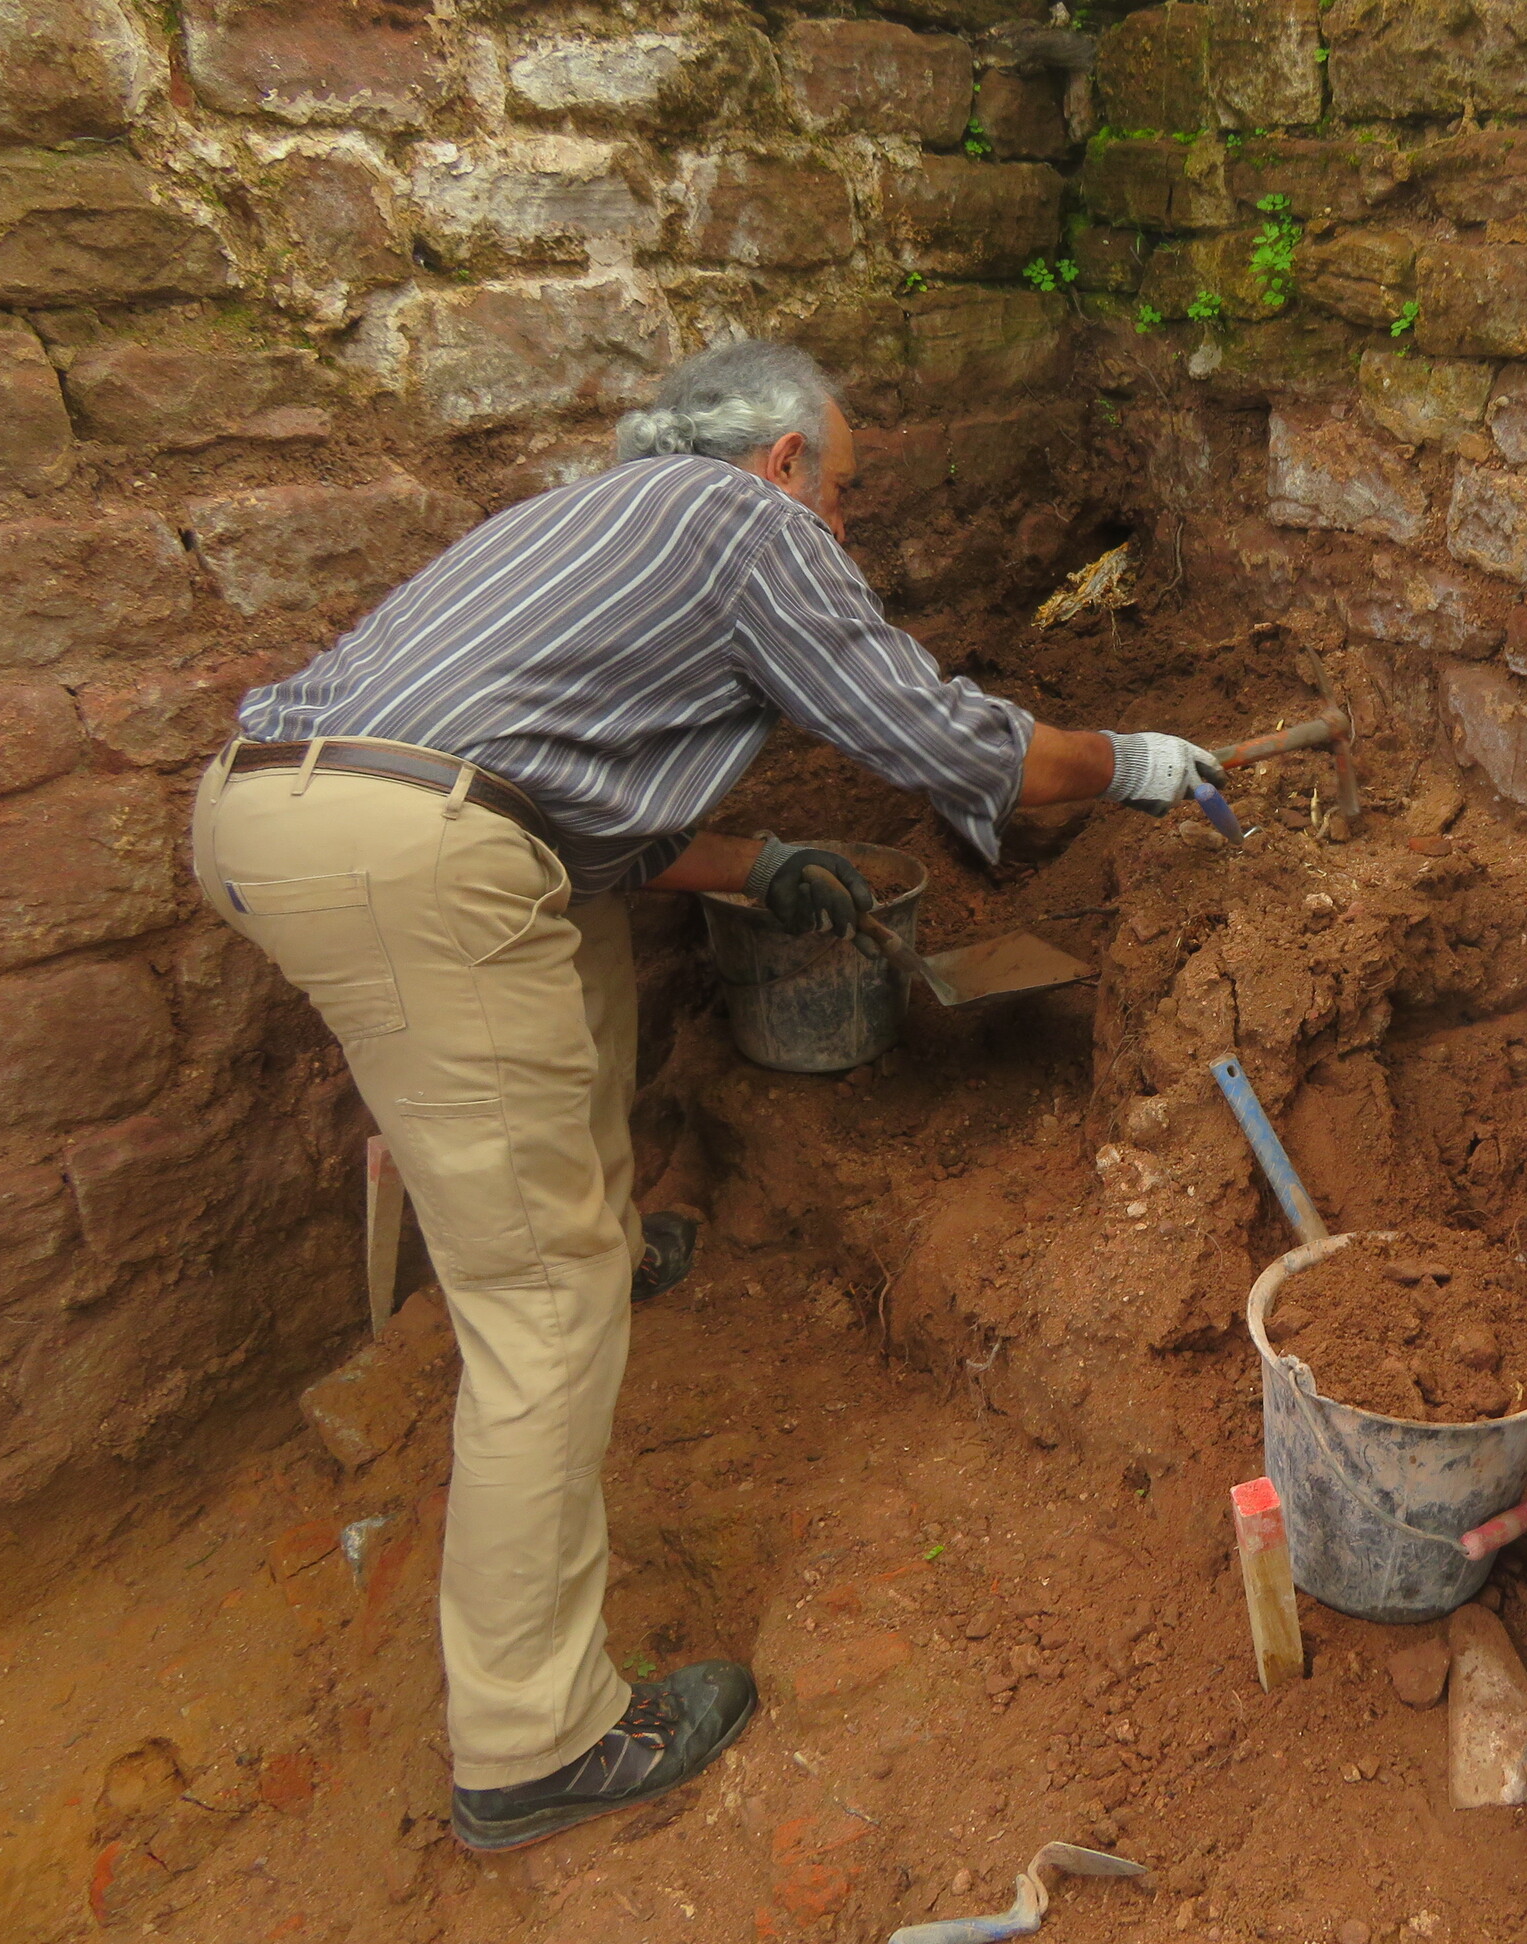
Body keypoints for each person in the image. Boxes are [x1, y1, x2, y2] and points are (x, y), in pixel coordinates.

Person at [192, 340, 1228, 1853]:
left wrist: (757, 860)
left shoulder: (588, 522)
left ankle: (611, 1242)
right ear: (786, 459)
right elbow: (937, 737)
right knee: (538, 1306)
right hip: (402, 852)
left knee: (577, 945)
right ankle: (533, 1743)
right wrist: (1132, 764)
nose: (844, 529)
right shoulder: (741, 515)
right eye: (846, 494)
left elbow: (556, 805)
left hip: (281, 804)